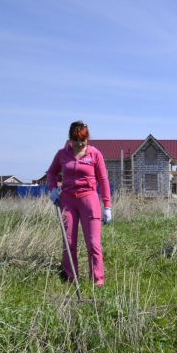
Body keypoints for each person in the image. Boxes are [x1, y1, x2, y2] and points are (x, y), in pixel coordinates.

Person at [46, 120, 111, 287]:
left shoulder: (95, 154)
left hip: (89, 200)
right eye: (76, 140)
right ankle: (70, 278)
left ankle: (97, 280)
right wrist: (53, 189)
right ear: (70, 139)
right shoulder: (62, 154)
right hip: (67, 200)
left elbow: (103, 180)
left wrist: (107, 206)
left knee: (93, 243)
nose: (80, 144)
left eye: (83, 140)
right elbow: (51, 173)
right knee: (69, 242)